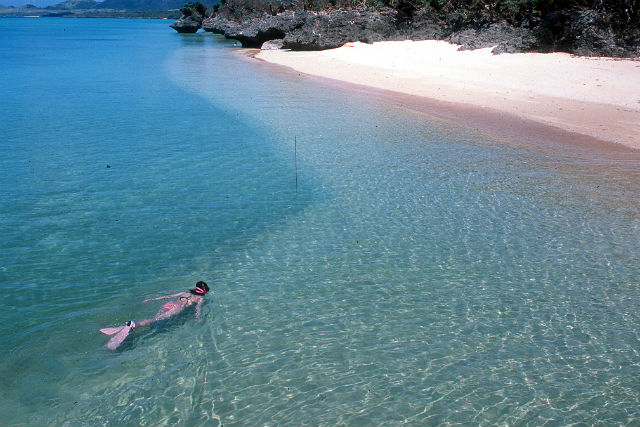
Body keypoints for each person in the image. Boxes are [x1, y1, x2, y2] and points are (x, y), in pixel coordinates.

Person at [100, 281, 210, 350]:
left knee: (155, 318)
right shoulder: (200, 298)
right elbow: (197, 308)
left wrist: (152, 299)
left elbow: (167, 296)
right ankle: (134, 325)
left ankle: (133, 327)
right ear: (203, 292)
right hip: (176, 309)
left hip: (169, 305)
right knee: (154, 320)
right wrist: (197, 317)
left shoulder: (184, 293)